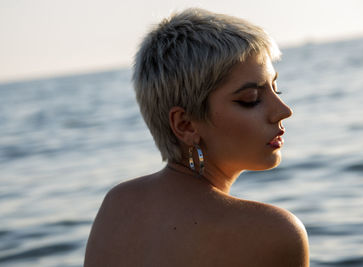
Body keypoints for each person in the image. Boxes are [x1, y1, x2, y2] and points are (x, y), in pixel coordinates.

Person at [84, 8, 309, 267]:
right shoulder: (274, 232)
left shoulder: (119, 205)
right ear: (186, 125)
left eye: (275, 88)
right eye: (252, 100)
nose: (283, 110)